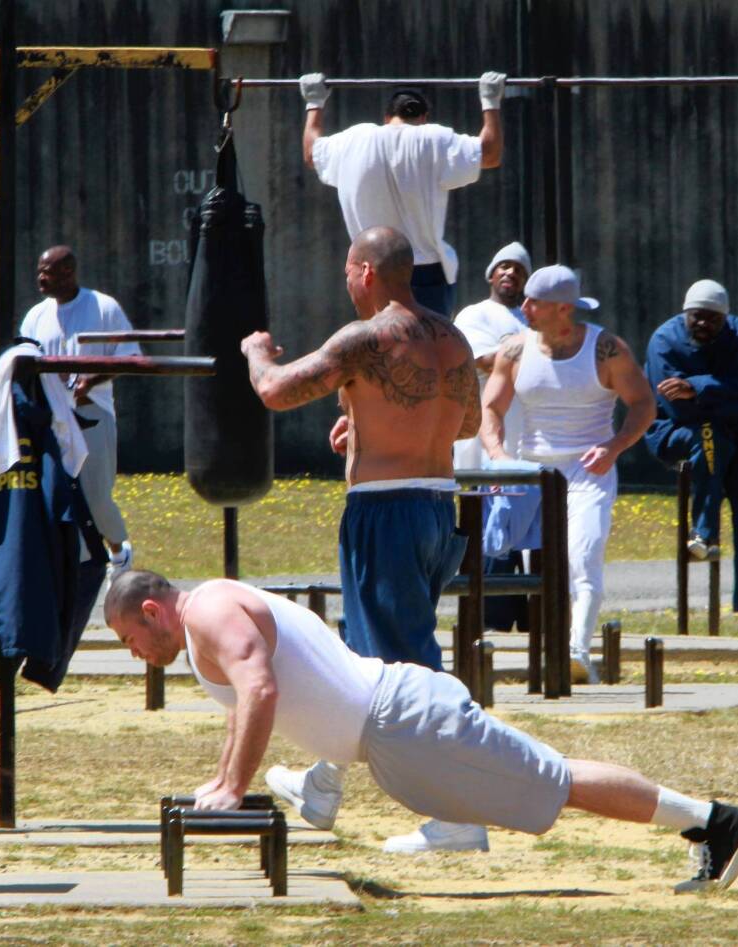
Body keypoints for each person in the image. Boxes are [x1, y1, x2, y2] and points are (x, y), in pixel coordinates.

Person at [104, 569, 738, 894]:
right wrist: (221, 782)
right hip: (394, 741)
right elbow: (242, 707)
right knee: (552, 784)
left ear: (153, 609)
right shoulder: (201, 627)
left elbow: (261, 689)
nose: (133, 652)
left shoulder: (213, 609)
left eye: (128, 637)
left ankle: (716, 821)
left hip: (406, 721)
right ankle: (709, 822)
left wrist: (235, 785)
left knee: (557, 780)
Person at [241, 225, 486, 853]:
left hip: (387, 514)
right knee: (366, 659)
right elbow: (468, 422)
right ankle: (323, 785)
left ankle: (459, 814)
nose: (345, 281)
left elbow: (274, 391)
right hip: (437, 507)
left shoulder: (365, 338)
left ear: (367, 272)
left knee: (408, 669)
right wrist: (366, 424)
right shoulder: (451, 337)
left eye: (348, 271)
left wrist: (256, 349)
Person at [480, 264, 656, 683]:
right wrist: (498, 454)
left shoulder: (606, 349)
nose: (523, 306)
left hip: (588, 468)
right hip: (531, 471)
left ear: (561, 308)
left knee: (584, 555)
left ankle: (577, 650)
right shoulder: (514, 350)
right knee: (535, 569)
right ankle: (549, 651)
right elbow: (489, 408)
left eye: (532, 301)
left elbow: (644, 405)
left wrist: (614, 447)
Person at [643, 279, 738, 632]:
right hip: (676, 434)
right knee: (709, 435)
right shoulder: (664, 341)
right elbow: (680, 411)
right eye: (697, 317)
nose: (704, 324)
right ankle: (704, 530)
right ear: (685, 313)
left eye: (713, 319)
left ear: (726, 318)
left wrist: (697, 386)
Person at [299, 71, 507, 315]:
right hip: (423, 270)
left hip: (369, 271)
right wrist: (490, 100)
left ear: (387, 117)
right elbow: (490, 154)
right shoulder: (433, 139)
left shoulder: (353, 140)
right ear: (424, 118)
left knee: (378, 348)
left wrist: (314, 102)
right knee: (427, 350)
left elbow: (312, 153)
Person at [18, 246, 140, 575]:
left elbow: (129, 356)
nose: (41, 278)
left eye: (49, 271)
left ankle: (119, 552)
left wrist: (90, 380)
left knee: (97, 497)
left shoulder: (102, 307)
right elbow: (25, 364)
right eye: (39, 270)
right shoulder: (35, 316)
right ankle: (78, 566)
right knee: (54, 496)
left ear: (69, 272)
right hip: (51, 420)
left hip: (92, 415)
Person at [452, 241, 531, 469]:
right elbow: (485, 363)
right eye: (504, 266)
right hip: (482, 428)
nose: (511, 273)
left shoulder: (531, 319)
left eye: (519, 270)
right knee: (480, 496)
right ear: (491, 275)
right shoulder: (474, 314)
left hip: (524, 428)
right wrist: (541, 353)